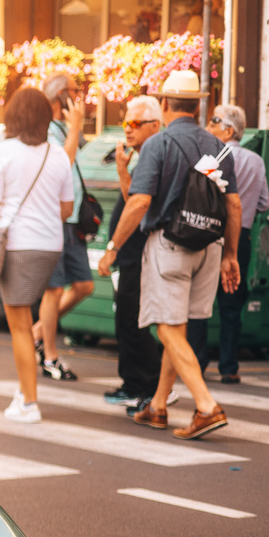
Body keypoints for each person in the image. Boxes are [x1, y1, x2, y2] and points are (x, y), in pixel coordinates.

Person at [96, 70, 241, 440]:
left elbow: (140, 202)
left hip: (170, 246)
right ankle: (158, 406)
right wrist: (231, 255)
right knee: (180, 329)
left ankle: (206, 406)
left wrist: (112, 248)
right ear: (199, 105)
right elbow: (234, 206)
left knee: (165, 327)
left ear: (164, 104)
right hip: (210, 247)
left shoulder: (159, 145)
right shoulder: (219, 147)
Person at [0, 86, 75, 424]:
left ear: (14, 116)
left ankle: (29, 403)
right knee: (29, 317)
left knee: (20, 327)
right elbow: (67, 208)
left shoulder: (5, 151)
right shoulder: (59, 155)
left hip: (19, 246)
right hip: (50, 245)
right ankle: (24, 390)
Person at [100, 96, 167, 414]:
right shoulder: (143, 156)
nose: (127, 129)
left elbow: (138, 205)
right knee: (127, 318)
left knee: (133, 320)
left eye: (134, 124)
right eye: (125, 123)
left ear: (155, 126)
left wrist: (112, 248)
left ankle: (148, 386)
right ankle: (134, 384)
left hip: (140, 254)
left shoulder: (154, 156)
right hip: (132, 255)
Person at [202, 104, 269, 384]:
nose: (208, 125)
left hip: (211, 232)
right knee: (232, 303)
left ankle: (196, 361)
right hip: (241, 237)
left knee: (201, 300)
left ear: (228, 129)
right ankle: (229, 367)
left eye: (214, 121)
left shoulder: (211, 156)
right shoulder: (257, 161)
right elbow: (264, 203)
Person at [33, 73, 93, 381]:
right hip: (54, 220)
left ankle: (38, 331)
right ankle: (50, 355)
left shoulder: (63, 129)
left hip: (72, 221)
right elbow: (61, 165)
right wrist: (75, 128)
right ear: (60, 95)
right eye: (74, 90)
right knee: (54, 290)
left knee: (84, 285)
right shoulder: (47, 131)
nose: (79, 95)